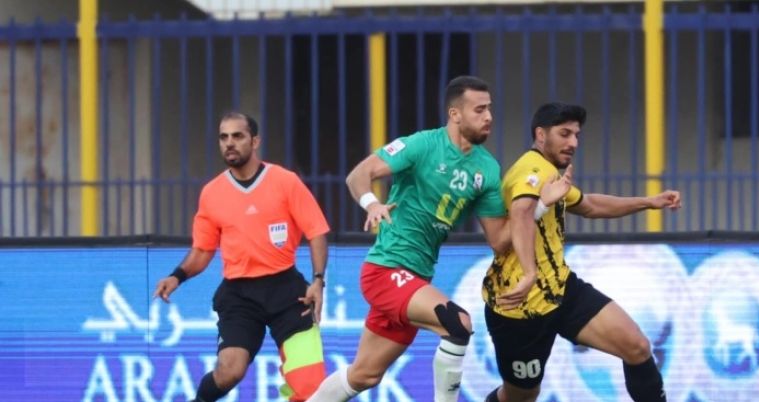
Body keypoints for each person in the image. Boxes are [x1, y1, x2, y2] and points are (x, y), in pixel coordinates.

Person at [307, 76, 569, 402]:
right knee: (457, 324)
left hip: (416, 277)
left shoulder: (487, 169)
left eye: (489, 109)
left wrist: (541, 205)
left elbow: (500, 240)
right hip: (386, 270)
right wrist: (372, 204)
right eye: (479, 110)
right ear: (455, 114)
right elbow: (358, 175)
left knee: (364, 374)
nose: (489, 117)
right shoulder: (422, 145)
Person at [482, 102, 681, 402]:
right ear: (540, 135)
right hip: (519, 306)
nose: (573, 143)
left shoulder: (550, 173)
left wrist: (648, 202)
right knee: (521, 395)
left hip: (561, 289)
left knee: (637, 347)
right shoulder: (532, 170)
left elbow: (589, 205)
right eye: (564, 134)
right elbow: (521, 212)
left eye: (576, 135)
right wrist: (530, 273)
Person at [152, 111, 330, 402]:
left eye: (237, 136)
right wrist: (177, 276)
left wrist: (318, 280)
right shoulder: (212, 193)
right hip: (239, 296)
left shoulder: (285, 181)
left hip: (288, 292)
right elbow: (203, 250)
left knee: (309, 386)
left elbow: (317, 232)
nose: (229, 143)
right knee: (229, 371)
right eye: (223, 137)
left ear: (255, 141)